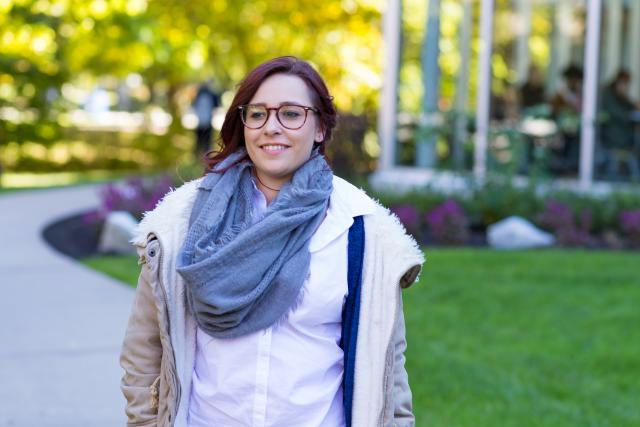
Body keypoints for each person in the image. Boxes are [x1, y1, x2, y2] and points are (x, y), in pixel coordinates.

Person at [120, 56, 425, 427]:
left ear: (319, 128)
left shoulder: (359, 229)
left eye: (292, 114)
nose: (272, 127)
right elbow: (143, 349)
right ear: (243, 124)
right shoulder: (184, 221)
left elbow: (388, 366)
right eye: (258, 114)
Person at [192, 81, 221, 158]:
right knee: (201, 142)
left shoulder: (206, 95)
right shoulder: (201, 95)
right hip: (202, 122)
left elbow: (216, 104)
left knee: (204, 142)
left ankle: (204, 158)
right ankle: (200, 157)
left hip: (206, 122)